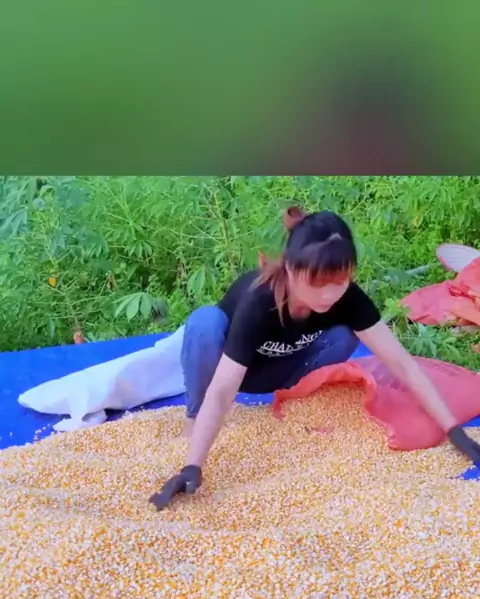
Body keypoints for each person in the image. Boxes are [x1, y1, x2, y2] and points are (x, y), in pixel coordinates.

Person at [150, 207, 480, 510]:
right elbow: (223, 388)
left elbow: (402, 364)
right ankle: (194, 418)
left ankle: (297, 404)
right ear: (291, 269)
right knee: (204, 322)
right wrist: (193, 465)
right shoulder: (260, 300)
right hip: (235, 371)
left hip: (288, 370)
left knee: (345, 334)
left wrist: (453, 430)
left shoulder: (348, 298)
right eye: (318, 283)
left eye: (340, 281)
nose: (330, 294)